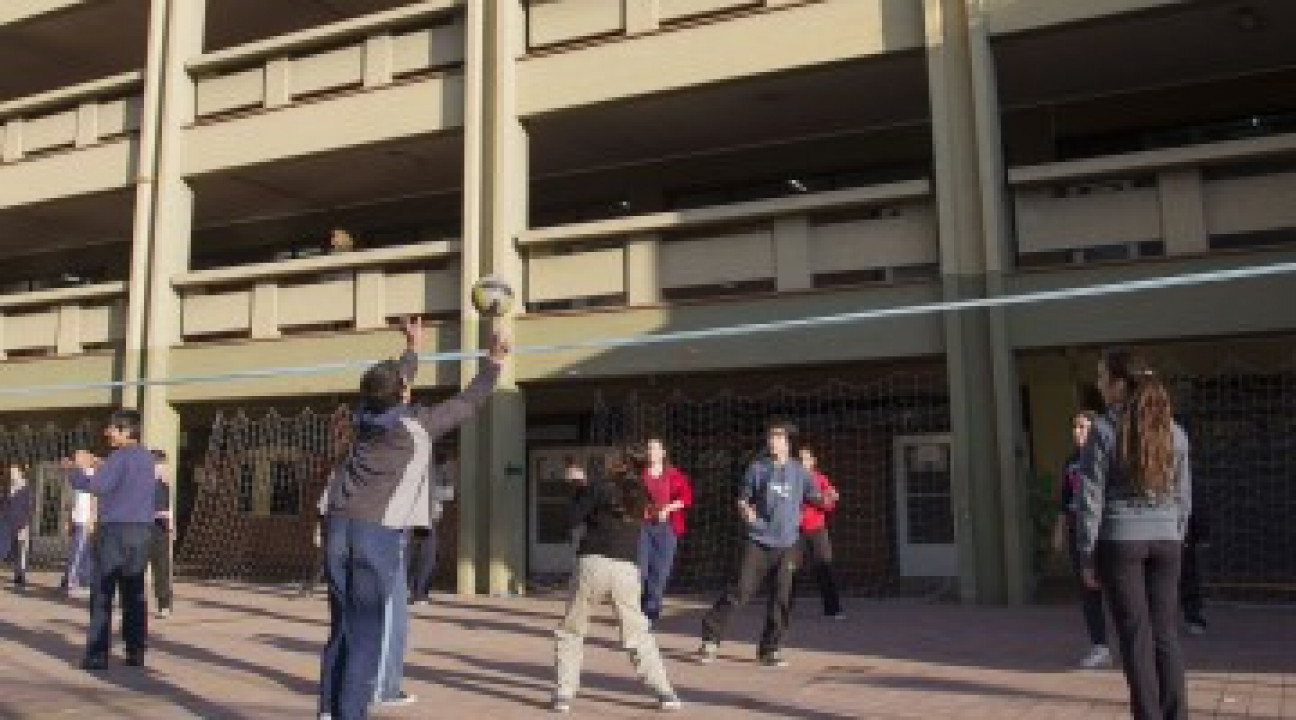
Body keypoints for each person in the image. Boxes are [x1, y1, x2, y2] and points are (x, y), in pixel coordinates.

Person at [317, 317, 508, 720]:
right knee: (366, 636)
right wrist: (494, 361)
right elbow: (469, 401)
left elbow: (394, 383)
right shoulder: (415, 427)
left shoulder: (362, 416)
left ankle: (327, 712)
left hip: (338, 528)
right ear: (403, 392)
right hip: (374, 535)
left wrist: (412, 348)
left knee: (342, 628)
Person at [1076, 349, 1192, 720]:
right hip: (1166, 542)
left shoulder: (1105, 429)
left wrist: (1087, 555)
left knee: (1136, 638)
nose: (1098, 384)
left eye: (1101, 377)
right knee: (1166, 635)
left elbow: (1090, 498)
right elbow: (1183, 494)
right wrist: (1175, 533)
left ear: (1120, 384)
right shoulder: (1172, 430)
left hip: (1121, 540)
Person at [552, 450, 681, 714]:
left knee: (572, 631)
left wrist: (577, 488)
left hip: (593, 563)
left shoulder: (599, 487)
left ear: (614, 466)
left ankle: (564, 694)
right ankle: (665, 692)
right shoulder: (641, 492)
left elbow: (572, 518)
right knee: (637, 634)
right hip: (626, 569)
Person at [698, 421, 825, 668]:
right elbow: (743, 498)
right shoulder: (758, 468)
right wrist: (745, 509)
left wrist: (827, 497)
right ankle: (710, 639)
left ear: (787, 443)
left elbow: (815, 496)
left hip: (788, 544)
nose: (772, 442)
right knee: (741, 592)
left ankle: (770, 649)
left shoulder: (800, 472)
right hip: (758, 541)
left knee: (782, 597)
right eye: (770, 437)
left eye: (778, 438)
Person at [64, 409, 159, 670]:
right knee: (134, 593)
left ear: (127, 431)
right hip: (140, 531)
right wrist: (99, 462)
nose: (108, 432)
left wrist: (77, 469)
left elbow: (98, 487)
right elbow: (122, 475)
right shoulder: (146, 457)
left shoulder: (119, 456)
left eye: (113, 429)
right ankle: (135, 650)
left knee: (103, 593)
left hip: (114, 531)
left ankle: (96, 655)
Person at [1051, 411, 1112, 668]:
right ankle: (1100, 645)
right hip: (1079, 531)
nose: (1077, 431)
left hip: (1106, 531)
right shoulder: (1071, 462)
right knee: (1088, 589)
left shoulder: (1106, 457)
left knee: (1119, 588)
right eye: (1075, 426)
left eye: (1083, 427)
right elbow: (1065, 501)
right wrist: (1059, 529)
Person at [638, 437, 693, 625]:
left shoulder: (674, 474)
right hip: (644, 527)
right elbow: (631, 498)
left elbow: (686, 498)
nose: (651, 452)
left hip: (667, 528)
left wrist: (667, 509)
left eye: (655, 448)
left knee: (660, 572)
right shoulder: (640, 475)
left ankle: (651, 612)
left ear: (663, 453)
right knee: (641, 571)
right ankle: (641, 608)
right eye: (649, 448)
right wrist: (641, 509)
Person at [796, 443, 844, 620]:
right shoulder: (790, 479)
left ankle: (833, 610)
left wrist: (825, 499)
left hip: (817, 530)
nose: (803, 462)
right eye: (799, 459)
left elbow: (830, 502)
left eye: (806, 459)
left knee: (825, 568)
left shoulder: (821, 479)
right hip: (795, 533)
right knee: (789, 571)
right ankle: (783, 611)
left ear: (812, 461)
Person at [409, 449, 457, 606]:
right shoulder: (437, 471)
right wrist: (447, 478)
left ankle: (413, 591)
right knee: (427, 555)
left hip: (413, 517)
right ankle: (419, 593)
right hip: (425, 517)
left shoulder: (412, 468)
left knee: (415, 554)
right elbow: (448, 495)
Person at [148, 449, 175, 619]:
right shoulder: (140, 483)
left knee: (162, 568)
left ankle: (164, 605)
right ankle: (128, 605)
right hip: (142, 529)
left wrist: (171, 527)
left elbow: (169, 508)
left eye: (162, 464)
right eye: (158, 464)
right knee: (134, 569)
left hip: (160, 530)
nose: (161, 467)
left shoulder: (165, 483)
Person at [3, 464, 35, 589]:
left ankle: (20, 575)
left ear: (21, 472)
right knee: (5, 547)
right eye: (11, 472)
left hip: (21, 524)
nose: (12, 474)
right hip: (8, 523)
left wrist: (25, 525)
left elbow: (29, 509)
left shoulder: (26, 488)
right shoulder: (10, 487)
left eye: (15, 472)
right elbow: (5, 505)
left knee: (21, 551)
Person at [62, 483, 96, 598]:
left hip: (84, 521)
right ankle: (75, 580)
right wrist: (69, 520)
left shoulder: (92, 476)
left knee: (80, 552)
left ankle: (73, 581)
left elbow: (94, 499)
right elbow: (71, 502)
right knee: (77, 551)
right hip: (77, 520)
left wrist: (91, 519)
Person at [1180, 509, 1208, 635]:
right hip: (1164, 528)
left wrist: (1200, 532)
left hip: (1182, 532)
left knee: (1188, 575)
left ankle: (1193, 617)